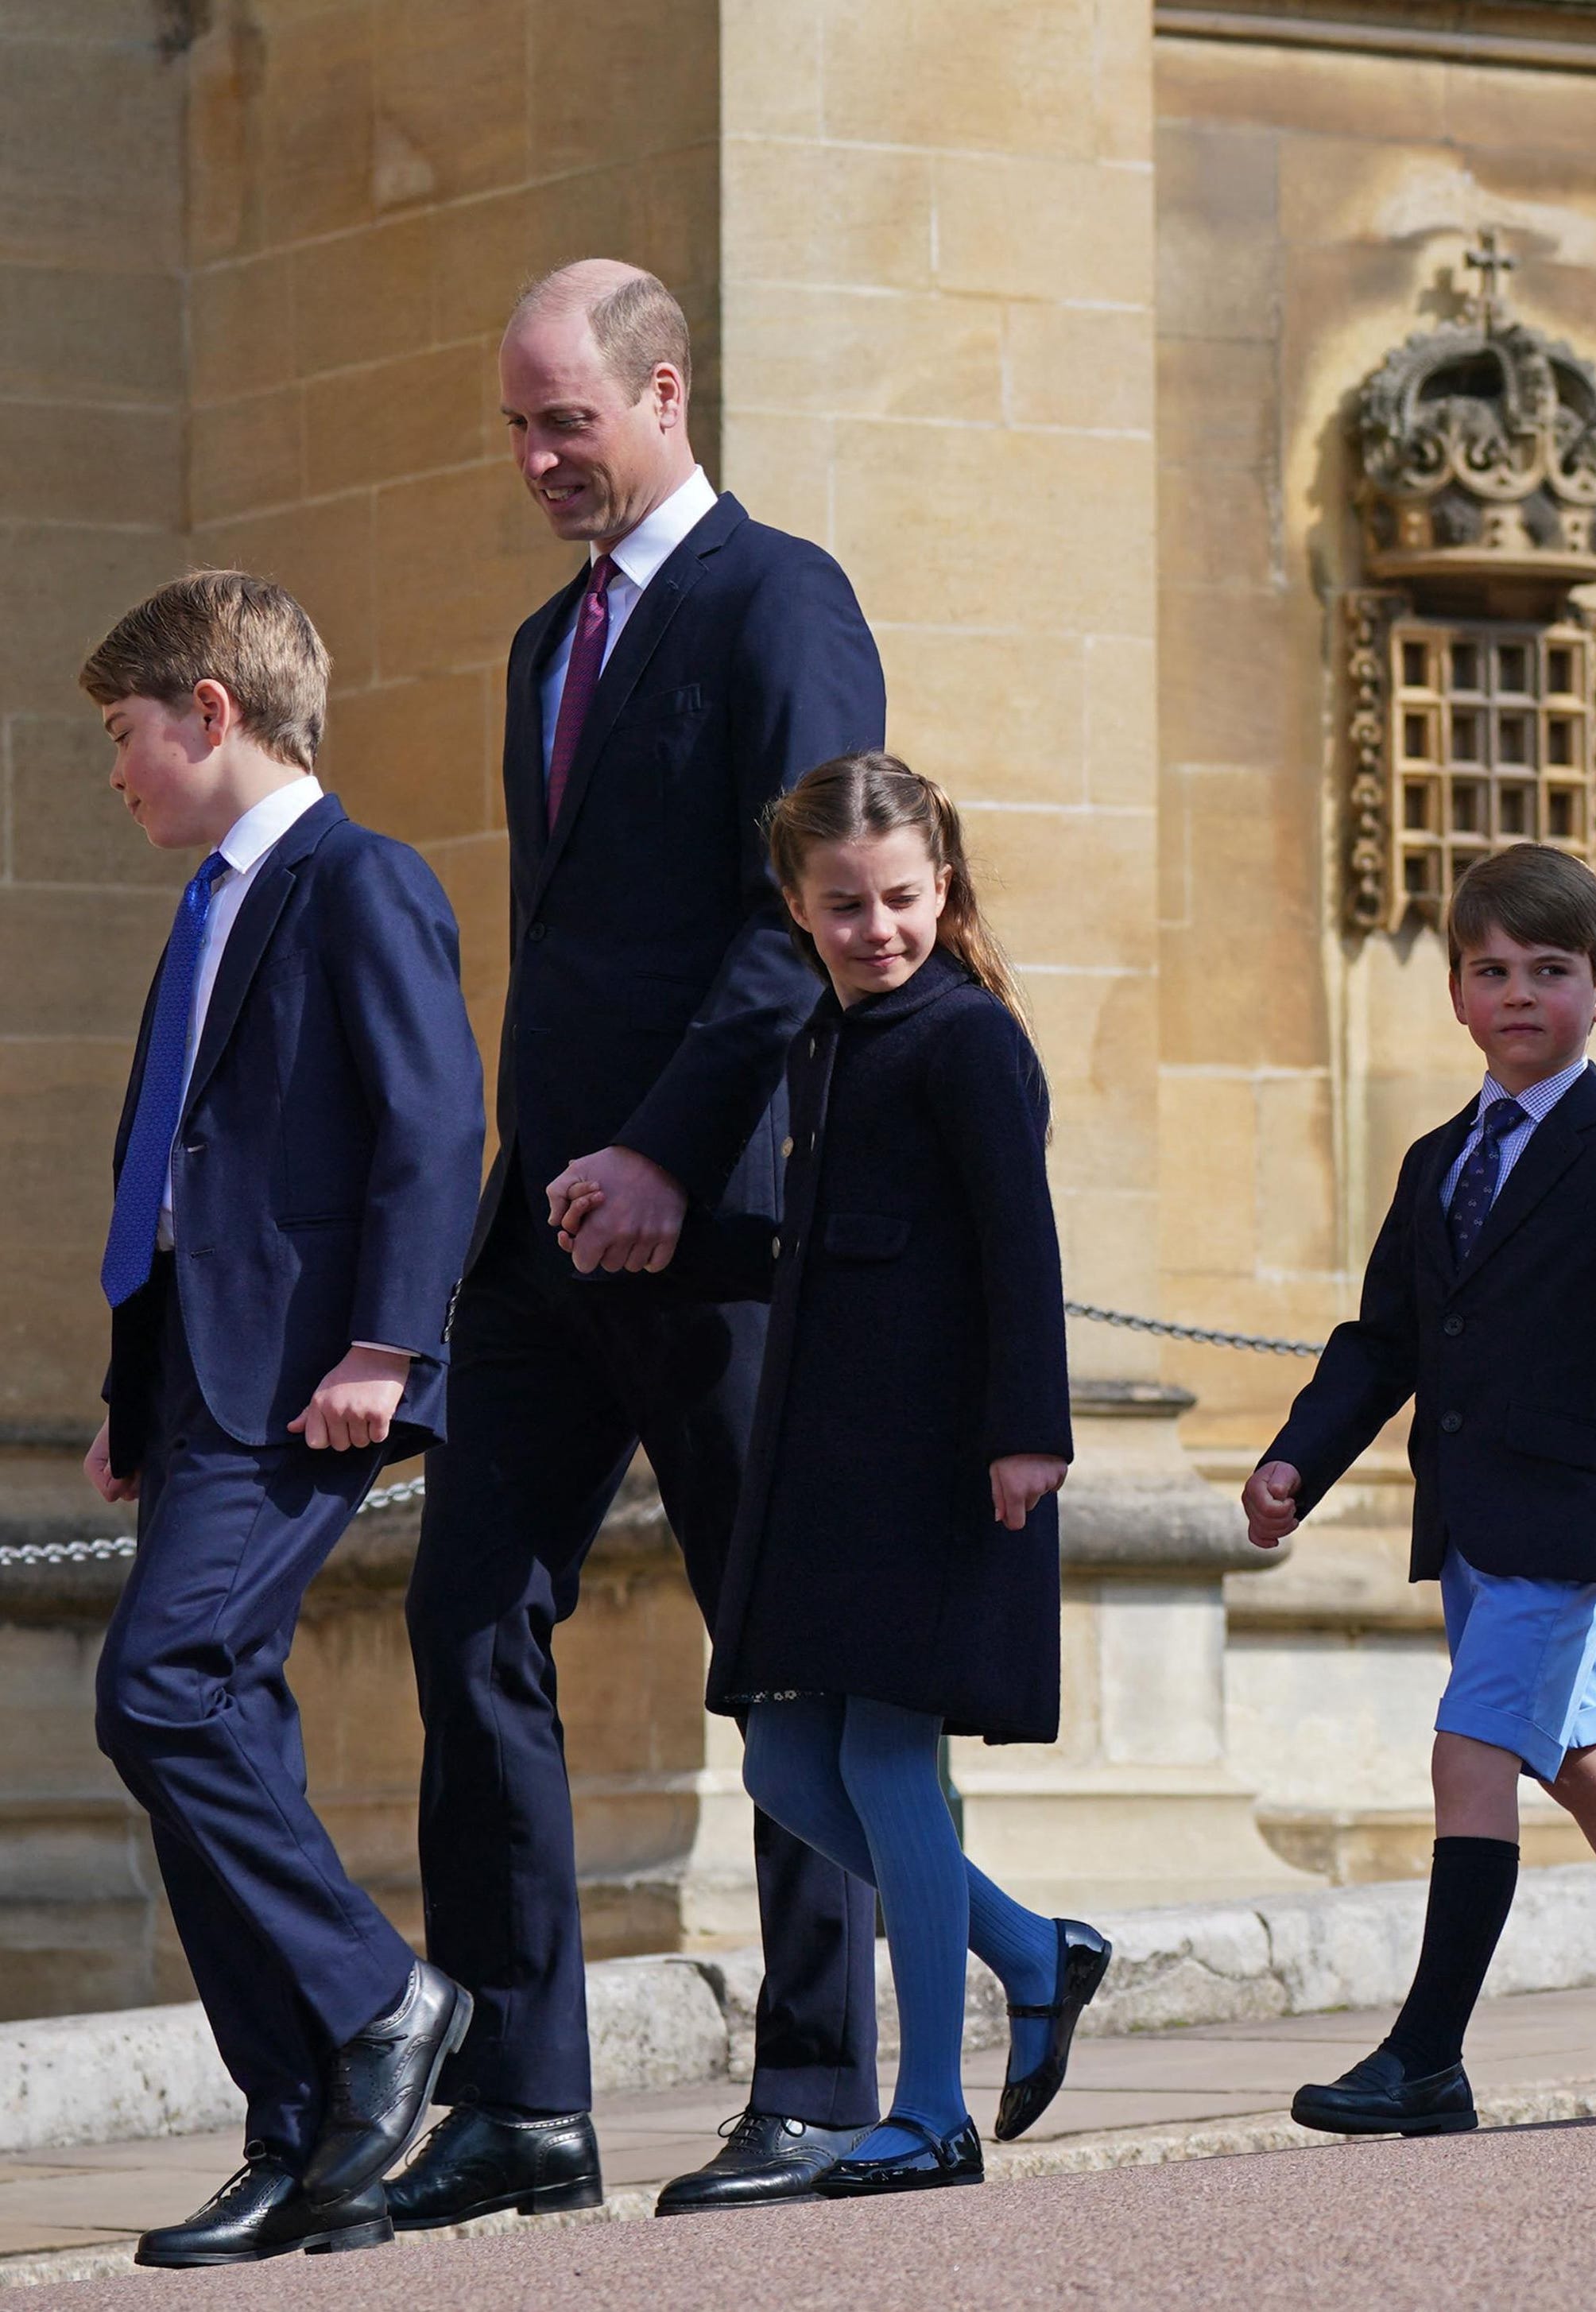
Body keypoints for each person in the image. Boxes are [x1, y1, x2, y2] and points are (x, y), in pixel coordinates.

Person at [391, 262, 888, 2227]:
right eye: (514, 426)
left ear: (662, 392)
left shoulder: (784, 599)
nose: (534, 458)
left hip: (731, 1216)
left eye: (562, 421)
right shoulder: (538, 648)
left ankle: (825, 2086)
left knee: (782, 1652)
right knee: (459, 1613)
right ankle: (526, 2101)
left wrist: (674, 1150)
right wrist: (541, 1178)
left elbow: (804, 911)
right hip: (547, 1232)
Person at [601, 750, 1109, 2194]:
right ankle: (1031, 1949)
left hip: (945, 1453)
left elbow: (1024, 1247)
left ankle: (931, 2108)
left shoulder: (971, 1039)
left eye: (898, 898)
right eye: (842, 905)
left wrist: (1032, 1434)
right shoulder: (821, 1043)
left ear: (941, 885)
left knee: (890, 1755)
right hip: (826, 1454)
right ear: (795, 905)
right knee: (782, 1760)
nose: (875, 927)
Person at [1242, 844, 1596, 2138]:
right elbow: (1381, 1341)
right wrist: (1295, 1462)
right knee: (1588, 1764)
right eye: (1491, 971)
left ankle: (1426, 2057)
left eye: (1550, 972)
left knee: (1469, 1753)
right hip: (1470, 1526)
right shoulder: (1439, 1160)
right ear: (1454, 994)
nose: (1517, 995)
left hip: (1563, 1524)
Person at [78, 572, 486, 2265]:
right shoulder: (206, 908)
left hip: (310, 1378)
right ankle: (303, 2130)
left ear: (212, 712)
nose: (117, 773)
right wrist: (129, 1395)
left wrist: (391, 1343)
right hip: (202, 1382)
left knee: (151, 1685)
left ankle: (383, 1995)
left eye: (126, 735)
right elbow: (175, 1166)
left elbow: (431, 1117)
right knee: (220, 1718)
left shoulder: (357, 878)